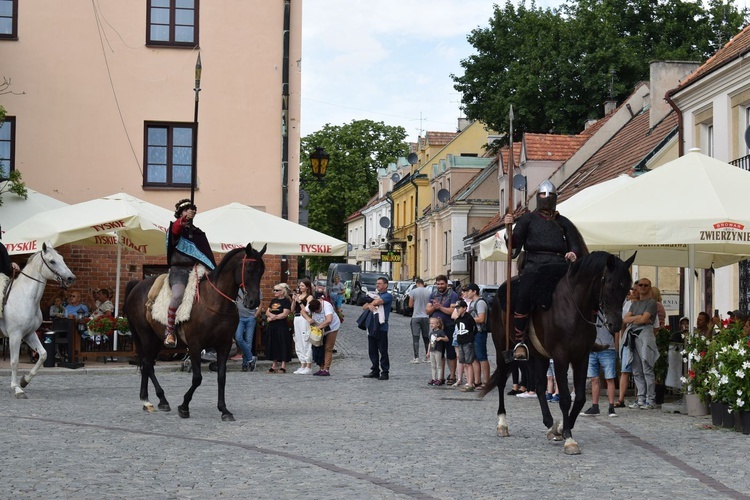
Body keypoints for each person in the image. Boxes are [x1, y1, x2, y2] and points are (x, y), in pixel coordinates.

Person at [503, 180, 584, 360]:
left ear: (555, 198)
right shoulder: (528, 219)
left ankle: (585, 333)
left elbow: (575, 245)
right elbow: (514, 243)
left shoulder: (564, 222)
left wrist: (572, 253)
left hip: (560, 265)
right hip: (535, 265)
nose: (546, 198)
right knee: (524, 293)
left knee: (582, 291)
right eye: (542, 195)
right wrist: (508, 229)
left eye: (549, 196)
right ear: (538, 198)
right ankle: (520, 342)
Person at [164, 199, 216, 347]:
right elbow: (176, 229)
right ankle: (169, 332)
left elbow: (205, 255)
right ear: (181, 213)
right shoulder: (175, 230)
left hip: (196, 269)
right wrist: (185, 219)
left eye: (191, 210)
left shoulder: (198, 233)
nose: (189, 212)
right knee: (178, 295)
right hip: (178, 270)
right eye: (186, 210)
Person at [623, 278, 658, 409]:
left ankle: (650, 399)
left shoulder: (651, 303)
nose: (642, 287)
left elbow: (644, 319)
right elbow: (625, 319)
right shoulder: (634, 304)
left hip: (645, 335)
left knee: (647, 367)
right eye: (640, 285)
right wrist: (639, 318)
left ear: (649, 287)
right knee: (636, 369)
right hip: (634, 335)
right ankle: (641, 398)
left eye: (645, 285)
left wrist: (637, 319)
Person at [583, 310, 618, 417]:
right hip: (592, 349)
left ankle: (611, 407)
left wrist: (616, 347)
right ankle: (595, 406)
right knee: (594, 379)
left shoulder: (609, 311)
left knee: (609, 378)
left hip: (608, 348)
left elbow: (616, 329)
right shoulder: (588, 312)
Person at [426, 275, 458, 384]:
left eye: (442, 284)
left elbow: (453, 311)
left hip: (449, 325)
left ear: (447, 284)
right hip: (435, 327)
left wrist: (440, 307)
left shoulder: (452, 295)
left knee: (451, 352)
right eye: (438, 284)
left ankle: (453, 376)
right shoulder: (433, 294)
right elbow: (427, 310)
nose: (440, 286)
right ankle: (440, 377)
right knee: (439, 352)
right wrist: (434, 307)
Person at [362, 277, 393, 381]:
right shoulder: (375, 295)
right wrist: (370, 304)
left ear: (386, 285)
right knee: (372, 350)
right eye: (376, 284)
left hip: (381, 327)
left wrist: (371, 303)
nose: (377, 285)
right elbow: (364, 306)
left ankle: (385, 372)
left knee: (383, 350)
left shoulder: (387, 296)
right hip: (371, 326)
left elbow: (377, 302)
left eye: (379, 283)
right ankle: (375, 370)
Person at [301, 298, 340, 376]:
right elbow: (302, 311)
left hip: (331, 328)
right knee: (318, 347)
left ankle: (326, 369)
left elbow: (329, 320)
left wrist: (318, 327)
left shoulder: (327, 306)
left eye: (318, 311)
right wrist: (308, 319)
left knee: (328, 348)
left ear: (320, 306)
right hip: (319, 328)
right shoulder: (311, 305)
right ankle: (321, 368)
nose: (317, 312)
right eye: (314, 312)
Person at [463, 283, 489, 388]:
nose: (466, 293)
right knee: (474, 358)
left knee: (482, 357)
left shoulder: (480, 302)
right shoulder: (473, 302)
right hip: (473, 332)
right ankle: (477, 381)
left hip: (480, 332)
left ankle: (487, 381)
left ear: (474, 291)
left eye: (468, 291)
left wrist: (468, 319)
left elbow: (481, 318)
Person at [616, 286, 638, 408]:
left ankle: (639, 397)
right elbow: (623, 322)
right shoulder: (628, 304)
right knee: (625, 370)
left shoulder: (648, 304)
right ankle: (621, 399)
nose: (634, 292)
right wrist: (622, 338)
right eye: (633, 289)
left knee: (640, 371)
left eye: (636, 289)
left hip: (640, 338)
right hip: (627, 339)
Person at [265, 283, 292, 373]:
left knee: (282, 344)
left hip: (281, 326)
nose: (275, 292)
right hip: (273, 326)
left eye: (277, 290)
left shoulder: (286, 301)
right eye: (274, 290)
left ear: (282, 291)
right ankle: (274, 364)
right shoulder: (273, 301)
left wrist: (272, 318)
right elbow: (267, 312)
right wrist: (271, 316)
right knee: (273, 344)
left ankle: (283, 365)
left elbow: (284, 314)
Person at [291, 279, 314, 374]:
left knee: (305, 340)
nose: (300, 288)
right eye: (300, 286)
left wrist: (300, 301)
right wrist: (294, 300)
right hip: (296, 318)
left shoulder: (309, 297)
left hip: (304, 318)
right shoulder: (298, 296)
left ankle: (308, 365)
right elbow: (292, 309)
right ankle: (302, 363)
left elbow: (306, 310)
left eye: (302, 286)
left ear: (307, 287)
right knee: (298, 340)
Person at [453, 300, 477, 392]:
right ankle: (468, 382)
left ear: (464, 308)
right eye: (456, 308)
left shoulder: (468, 317)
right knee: (463, 362)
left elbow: (474, 328)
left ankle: (471, 383)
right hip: (460, 341)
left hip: (468, 341)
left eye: (459, 308)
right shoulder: (458, 318)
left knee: (468, 362)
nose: (457, 310)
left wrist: (470, 337)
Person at [236, 288, 261, 372]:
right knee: (238, 338)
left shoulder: (256, 289)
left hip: (251, 317)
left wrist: (255, 315)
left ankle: (245, 364)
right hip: (240, 317)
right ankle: (251, 358)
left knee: (248, 341)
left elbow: (260, 303)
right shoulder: (238, 289)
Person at [409, 278, 431, 364]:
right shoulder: (428, 292)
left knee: (415, 338)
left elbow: (410, 305)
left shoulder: (413, 291)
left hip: (416, 317)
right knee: (426, 338)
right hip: (426, 317)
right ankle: (427, 356)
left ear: (416, 283)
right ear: (423, 283)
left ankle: (416, 357)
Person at [427, 317, 449, 386]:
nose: (431, 325)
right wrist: (428, 352)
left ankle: (439, 379)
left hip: (438, 350)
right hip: (432, 350)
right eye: (430, 323)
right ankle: (434, 378)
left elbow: (447, 339)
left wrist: (441, 338)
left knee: (439, 365)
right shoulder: (431, 332)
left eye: (433, 323)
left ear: (438, 324)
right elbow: (430, 343)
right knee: (433, 365)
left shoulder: (440, 332)